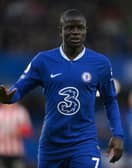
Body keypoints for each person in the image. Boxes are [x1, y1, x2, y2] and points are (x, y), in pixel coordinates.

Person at [0, 9, 124, 168]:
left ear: (86, 30)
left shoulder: (100, 64)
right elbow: (19, 90)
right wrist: (7, 99)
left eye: (80, 28)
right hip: (51, 145)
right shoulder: (43, 61)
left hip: (84, 143)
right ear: (60, 31)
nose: (75, 32)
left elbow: (110, 101)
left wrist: (118, 134)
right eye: (70, 28)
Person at [0, 103, 33, 168]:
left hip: (16, 152)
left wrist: (19, 131)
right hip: (1, 152)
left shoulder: (21, 111)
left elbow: (28, 131)